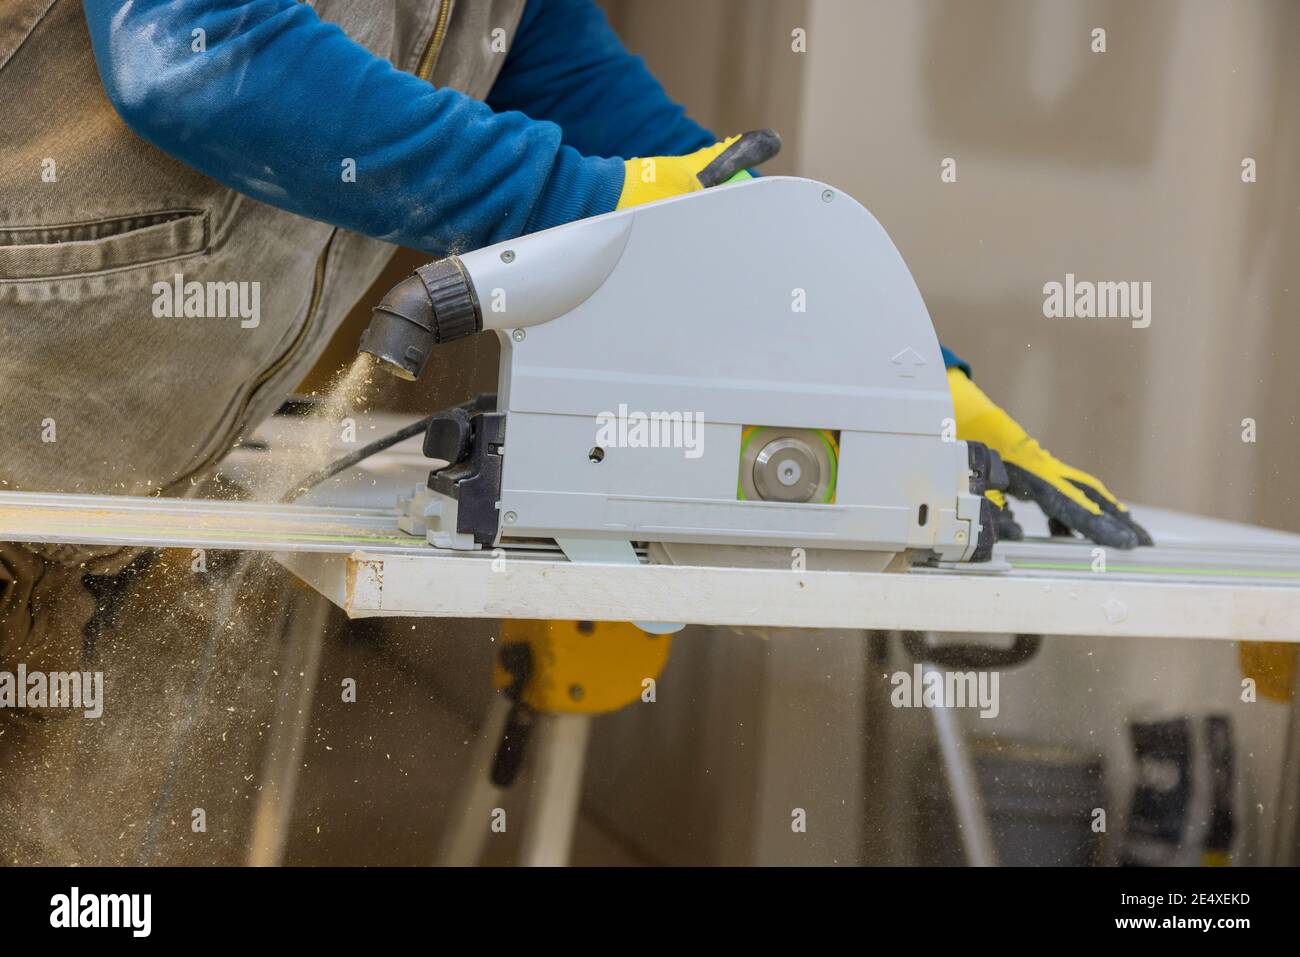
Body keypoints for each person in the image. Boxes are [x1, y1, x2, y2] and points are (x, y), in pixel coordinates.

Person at [0, 0, 1148, 861]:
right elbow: (196, 49)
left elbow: (631, 137)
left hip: (93, 519)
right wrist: (589, 209)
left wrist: (899, 373)